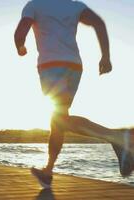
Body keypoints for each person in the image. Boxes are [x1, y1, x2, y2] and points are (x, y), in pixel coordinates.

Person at [14, 0, 133, 189]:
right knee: (58, 119)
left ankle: (118, 137)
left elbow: (20, 32)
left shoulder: (34, 5)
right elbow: (99, 23)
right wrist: (106, 56)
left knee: (59, 118)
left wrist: (20, 47)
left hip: (51, 66)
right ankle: (48, 171)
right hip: (74, 67)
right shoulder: (74, 5)